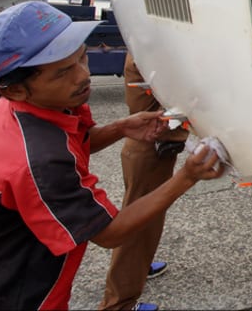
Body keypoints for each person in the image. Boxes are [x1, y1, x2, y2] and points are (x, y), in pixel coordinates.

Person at [0, 1, 223, 311]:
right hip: (9, 295)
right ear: (14, 89)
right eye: (63, 72)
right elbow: (110, 233)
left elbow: (76, 141)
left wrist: (120, 128)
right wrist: (187, 176)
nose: (83, 75)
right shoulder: (39, 160)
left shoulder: (31, 107)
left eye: (82, 57)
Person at [99, 53, 189, 311]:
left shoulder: (142, 45)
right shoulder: (149, 53)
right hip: (150, 149)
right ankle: (119, 304)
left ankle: (140, 265)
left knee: (144, 225)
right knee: (138, 227)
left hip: (148, 148)